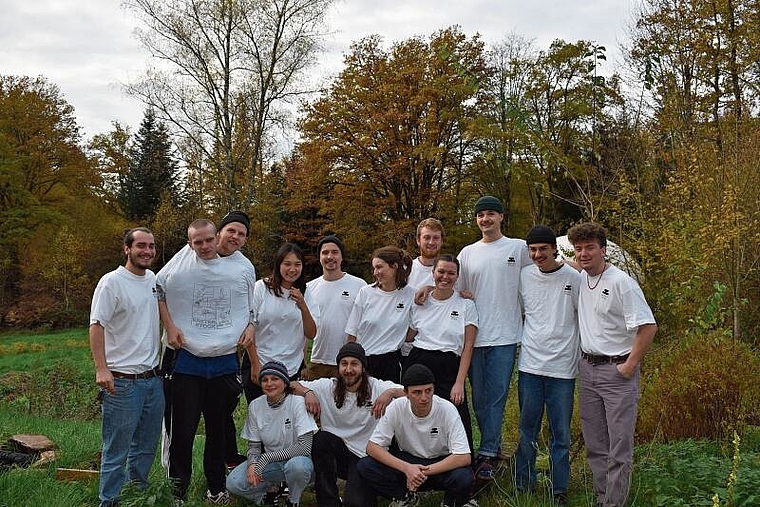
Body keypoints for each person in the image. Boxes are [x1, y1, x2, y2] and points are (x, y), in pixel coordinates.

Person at [156, 219, 256, 504]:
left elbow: (251, 304)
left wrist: (251, 325)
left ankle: (216, 488)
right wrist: (169, 327)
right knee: (183, 431)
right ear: (190, 243)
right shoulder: (182, 261)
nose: (204, 246)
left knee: (218, 430)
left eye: (208, 240)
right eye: (197, 242)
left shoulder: (243, 267)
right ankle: (178, 492)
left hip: (224, 359)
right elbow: (158, 288)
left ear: (217, 237)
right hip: (186, 359)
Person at [568, 222, 657, 507]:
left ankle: (614, 503)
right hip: (588, 371)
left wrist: (629, 366)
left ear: (603, 250)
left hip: (617, 371)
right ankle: (601, 498)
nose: (583, 254)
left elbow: (648, 327)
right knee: (595, 444)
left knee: (619, 446)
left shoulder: (622, 283)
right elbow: (554, 261)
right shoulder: (581, 277)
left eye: (590, 248)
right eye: (579, 248)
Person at [455, 195, 531, 480]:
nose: (485, 219)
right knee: (479, 400)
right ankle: (491, 447)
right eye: (480, 215)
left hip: (505, 335)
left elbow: (542, 272)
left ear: (501, 217)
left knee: (497, 397)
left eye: (490, 214)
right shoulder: (467, 253)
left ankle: (486, 454)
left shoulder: (517, 248)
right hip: (474, 338)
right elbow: (455, 288)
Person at [89, 227, 165, 507]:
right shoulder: (111, 282)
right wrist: (101, 368)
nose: (147, 251)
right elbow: (96, 326)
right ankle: (109, 500)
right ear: (127, 249)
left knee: (145, 448)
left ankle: (137, 494)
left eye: (151, 246)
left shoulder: (152, 280)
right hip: (121, 382)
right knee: (116, 449)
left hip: (152, 380)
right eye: (141, 246)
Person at [291, 342, 405, 507]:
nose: (348, 369)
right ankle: (328, 502)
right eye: (344, 364)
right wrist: (307, 392)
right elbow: (291, 385)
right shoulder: (328, 386)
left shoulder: (377, 386)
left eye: (354, 364)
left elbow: (411, 391)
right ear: (338, 367)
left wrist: (391, 392)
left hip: (366, 458)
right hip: (340, 454)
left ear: (363, 368)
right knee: (320, 439)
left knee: (356, 503)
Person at [514, 226, 581, 506]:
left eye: (543, 249)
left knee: (560, 433)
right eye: (533, 250)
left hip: (562, 369)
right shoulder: (524, 276)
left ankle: (559, 489)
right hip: (530, 365)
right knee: (527, 430)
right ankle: (524, 485)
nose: (538, 254)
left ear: (554, 248)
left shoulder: (573, 278)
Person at [356, 364, 473, 507]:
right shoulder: (397, 407)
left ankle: (450, 502)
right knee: (366, 465)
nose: (424, 397)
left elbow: (464, 456)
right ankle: (404, 498)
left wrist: (423, 472)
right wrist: (407, 468)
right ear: (406, 393)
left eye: (428, 391)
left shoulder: (447, 409)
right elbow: (372, 447)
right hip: (409, 461)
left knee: (464, 476)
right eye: (417, 392)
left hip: (439, 464)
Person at [406, 254, 477, 456]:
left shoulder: (466, 304)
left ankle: (462, 464)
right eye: (441, 272)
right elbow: (409, 336)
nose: (445, 277)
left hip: (449, 366)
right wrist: (419, 296)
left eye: (451, 273)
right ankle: (412, 461)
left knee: (457, 414)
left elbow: (468, 345)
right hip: (419, 362)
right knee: (415, 414)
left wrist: (459, 382)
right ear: (433, 273)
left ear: (457, 276)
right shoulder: (421, 302)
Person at [227, 361, 318, 507]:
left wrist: (266, 458)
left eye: (275, 379)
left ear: (285, 382)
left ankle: (293, 500)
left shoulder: (297, 402)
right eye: (265, 380)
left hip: (298, 461)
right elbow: (254, 445)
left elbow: (305, 448)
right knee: (233, 482)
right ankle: (266, 495)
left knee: (298, 467)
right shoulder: (255, 406)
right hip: (273, 464)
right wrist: (252, 463)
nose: (269, 384)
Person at [244, 242, 318, 402]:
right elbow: (249, 326)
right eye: (287, 264)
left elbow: (311, 333)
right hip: (262, 364)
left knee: (287, 417)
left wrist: (303, 306)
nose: (292, 269)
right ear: (278, 265)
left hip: (291, 368)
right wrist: (255, 364)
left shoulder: (306, 292)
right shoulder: (261, 287)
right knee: (260, 416)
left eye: (297, 264)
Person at [345, 246, 414, 383]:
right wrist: (350, 362)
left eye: (379, 267)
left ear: (394, 266)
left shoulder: (410, 294)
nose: (375, 272)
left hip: (391, 364)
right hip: (364, 362)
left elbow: (412, 330)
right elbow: (352, 333)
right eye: (374, 268)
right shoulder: (365, 292)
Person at [305, 235, 367, 380]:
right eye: (325, 253)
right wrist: (304, 362)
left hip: (349, 362)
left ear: (341, 256)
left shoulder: (359, 285)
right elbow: (304, 328)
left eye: (334, 252)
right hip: (318, 360)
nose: (330, 256)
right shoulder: (309, 288)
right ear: (319, 257)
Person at [403, 218, 444, 363]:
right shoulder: (406, 270)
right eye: (427, 237)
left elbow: (456, 295)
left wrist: (431, 289)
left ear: (441, 241)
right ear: (418, 240)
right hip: (409, 348)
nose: (431, 242)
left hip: (442, 347)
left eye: (436, 238)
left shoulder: (450, 271)